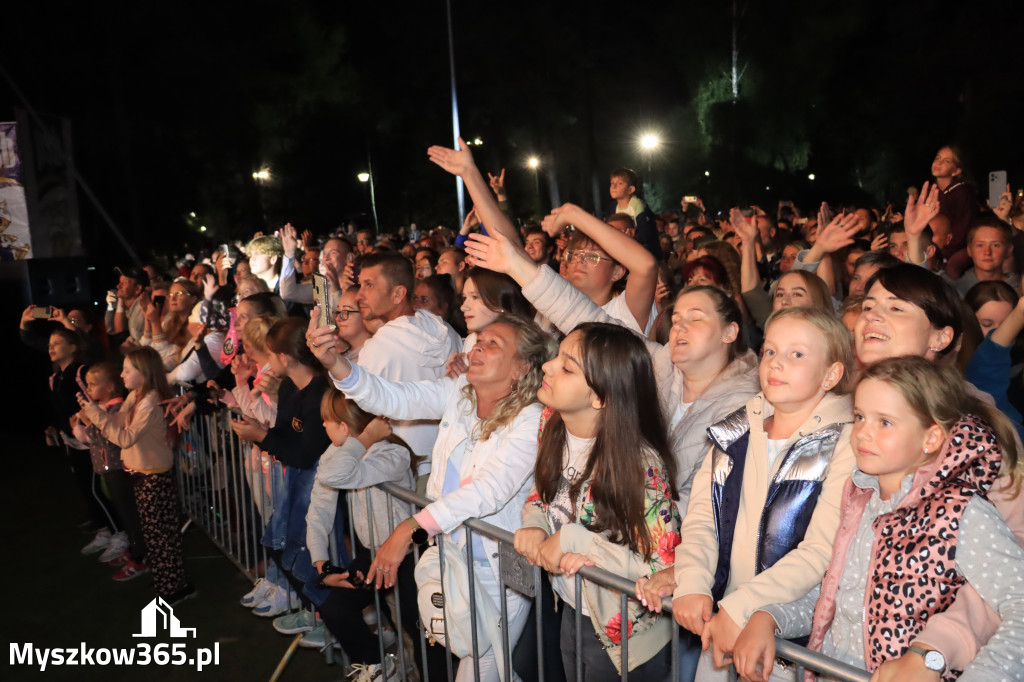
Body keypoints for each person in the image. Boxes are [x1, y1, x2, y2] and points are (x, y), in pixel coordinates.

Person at [733, 357, 1024, 681]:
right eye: (859, 417)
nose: (863, 434)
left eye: (884, 422)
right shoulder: (862, 500)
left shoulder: (963, 511)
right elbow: (838, 597)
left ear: (931, 438)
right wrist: (772, 617)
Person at [306, 312, 556, 682]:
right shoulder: (459, 394)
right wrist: (336, 364)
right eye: (480, 340)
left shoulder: (532, 419)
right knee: (485, 666)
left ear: (521, 368)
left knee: (481, 667)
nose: (478, 348)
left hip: (499, 566)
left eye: (493, 344)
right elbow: (390, 397)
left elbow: (487, 491)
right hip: (452, 556)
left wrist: (409, 529)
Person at [672, 307, 856, 681]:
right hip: (719, 618)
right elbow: (703, 519)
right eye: (770, 351)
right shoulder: (735, 429)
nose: (777, 364)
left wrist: (743, 607)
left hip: (783, 637)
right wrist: (692, 582)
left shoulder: (846, 443)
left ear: (831, 374)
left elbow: (819, 550)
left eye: (797, 355)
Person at [515, 323, 681, 680]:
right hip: (575, 604)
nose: (547, 366)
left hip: (626, 634)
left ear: (601, 397)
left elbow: (663, 570)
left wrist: (576, 540)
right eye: (556, 356)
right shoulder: (553, 421)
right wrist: (534, 523)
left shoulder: (641, 468)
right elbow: (543, 494)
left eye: (567, 367)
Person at [305, 388, 421, 681]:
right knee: (335, 606)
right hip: (373, 556)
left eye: (326, 421)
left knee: (415, 631)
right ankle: (379, 664)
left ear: (344, 427)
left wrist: (365, 439)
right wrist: (322, 563)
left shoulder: (392, 453)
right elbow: (319, 509)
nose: (322, 426)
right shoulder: (337, 454)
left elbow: (336, 476)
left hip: (408, 555)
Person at [229, 317, 332, 620]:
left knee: (307, 552)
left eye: (271, 354)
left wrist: (260, 437)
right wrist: (260, 431)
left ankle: (324, 614)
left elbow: (304, 454)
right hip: (296, 483)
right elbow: (286, 433)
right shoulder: (288, 387)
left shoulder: (320, 395)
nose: (268, 361)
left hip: (317, 489)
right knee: (278, 545)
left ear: (284, 358)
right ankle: (317, 610)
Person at [78, 347, 193, 603]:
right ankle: (168, 582)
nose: (122, 374)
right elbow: (119, 421)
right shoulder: (136, 396)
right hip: (142, 476)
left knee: (162, 536)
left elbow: (124, 438)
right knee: (154, 535)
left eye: (128, 370)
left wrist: (96, 415)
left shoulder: (150, 402)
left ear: (144, 373)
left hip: (154, 479)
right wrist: (97, 413)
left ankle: (175, 587)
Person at [349, 252, 462, 484]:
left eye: (369, 285)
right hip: (447, 460)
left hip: (406, 467)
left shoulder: (380, 346)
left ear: (398, 293)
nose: (360, 295)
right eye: (361, 285)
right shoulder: (445, 329)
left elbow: (352, 406)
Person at [70, 362, 145, 569]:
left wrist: (89, 422)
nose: (89, 389)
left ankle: (141, 556)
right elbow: (94, 440)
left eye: (93, 384)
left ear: (110, 387)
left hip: (119, 469)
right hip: (108, 468)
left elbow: (107, 439)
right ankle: (134, 549)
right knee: (122, 511)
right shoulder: (103, 409)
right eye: (87, 384)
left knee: (130, 513)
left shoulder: (117, 409)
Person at [952, 217, 1018, 295]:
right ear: (969, 250)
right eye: (980, 245)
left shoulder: (1019, 288)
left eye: (996, 245)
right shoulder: (955, 292)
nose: (987, 252)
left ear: (1008, 250)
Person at [105, 265, 149, 348]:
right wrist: (111, 307)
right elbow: (111, 329)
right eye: (119, 282)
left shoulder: (140, 309)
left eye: (124, 283)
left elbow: (123, 341)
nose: (118, 286)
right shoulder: (128, 307)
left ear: (138, 289)